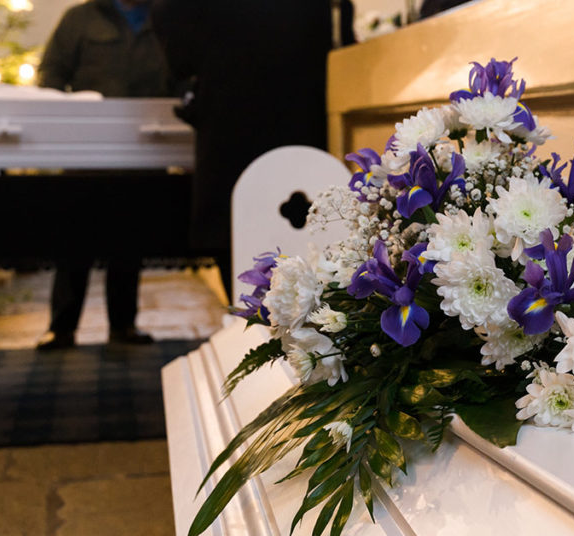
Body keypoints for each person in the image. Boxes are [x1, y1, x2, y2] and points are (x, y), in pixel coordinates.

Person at [150, 0, 354, 301]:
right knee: (304, 225)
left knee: (234, 228)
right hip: (304, 103)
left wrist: (189, 72)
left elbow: (173, 28)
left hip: (230, 105)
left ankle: (251, 321)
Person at [36, 0, 174, 350]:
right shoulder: (79, 19)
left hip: (145, 150)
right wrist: (64, 124)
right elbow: (52, 73)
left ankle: (123, 326)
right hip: (86, 154)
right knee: (73, 242)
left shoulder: (165, 18)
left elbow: (182, 74)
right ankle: (62, 328)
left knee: (129, 240)